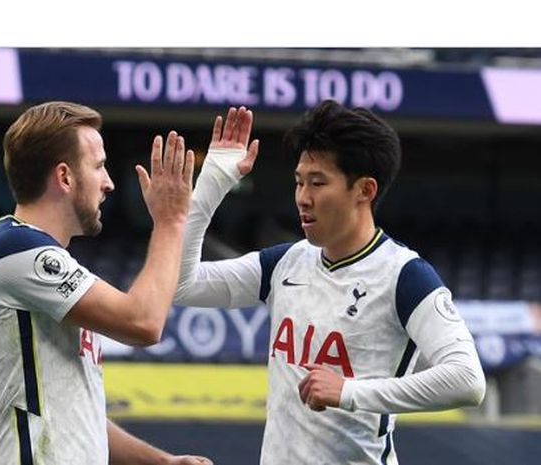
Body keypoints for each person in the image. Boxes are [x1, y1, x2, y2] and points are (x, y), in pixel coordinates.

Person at [174, 102, 486, 464]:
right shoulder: (284, 263)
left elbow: (467, 380)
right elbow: (182, 284)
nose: (303, 197)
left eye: (318, 182)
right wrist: (213, 181)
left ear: (365, 190)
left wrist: (350, 392)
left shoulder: (405, 276)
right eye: (299, 181)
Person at [0, 101, 212, 465]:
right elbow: (143, 322)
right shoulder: (12, 247)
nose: (109, 182)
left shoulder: (40, 261)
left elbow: (79, 417)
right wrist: (171, 221)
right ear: (65, 177)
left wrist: (163, 462)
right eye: (98, 166)